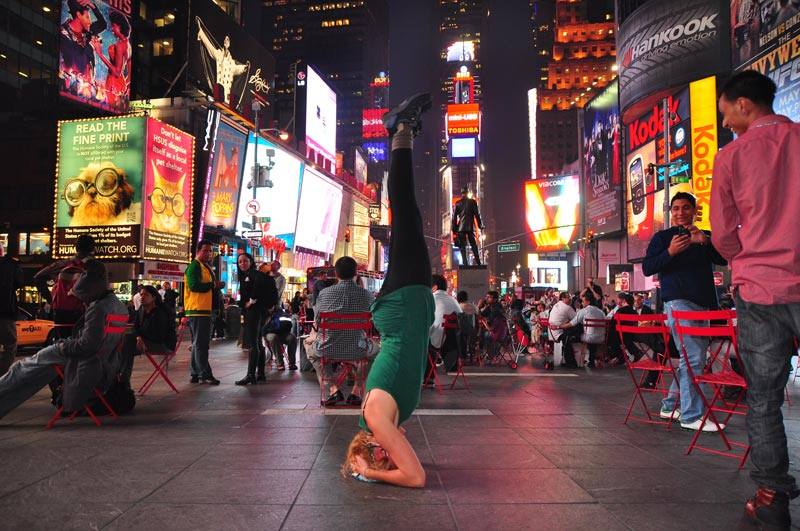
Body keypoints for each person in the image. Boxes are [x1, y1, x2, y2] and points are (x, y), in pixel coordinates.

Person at [711, 70, 800, 529]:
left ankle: (770, 498)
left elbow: (724, 235)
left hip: (759, 288)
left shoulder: (731, 157)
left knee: (764, 397)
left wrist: (747, 256)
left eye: (726, 114)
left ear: (743, 104)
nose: (726, 124)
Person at [343, 93, 434, 487]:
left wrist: (367, 473)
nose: (390, 452)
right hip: (409, 307)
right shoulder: (386, 418)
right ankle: (402, 131)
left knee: (407, 217)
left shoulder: (378, 419)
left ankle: (399, 129)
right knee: (410, 218)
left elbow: (415, 478)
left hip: (403, 307)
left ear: (371, 449)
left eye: (383, 456)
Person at [0, 260, 128, 419]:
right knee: (32, 375)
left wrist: (62, 346)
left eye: (82, 297)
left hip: (87, 364)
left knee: (21, 369)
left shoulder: (98, 308)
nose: (82, 302)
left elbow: (87, 345)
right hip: (105, 364)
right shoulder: (118, 306)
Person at [642, 192, 727, 430]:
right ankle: (691, 416)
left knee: (692, 360)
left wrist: (706, 241)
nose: (681, 212)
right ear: (671, 211)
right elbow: (648, 267)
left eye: (686, 207)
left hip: (704, 304)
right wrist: (669, 252)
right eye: (676, 208)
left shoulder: (704, 236)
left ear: (694, 210)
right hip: (677, 302)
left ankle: (670, 406)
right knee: (693, 359)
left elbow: (724, 259)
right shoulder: (662, 238)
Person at [306, 256, 377, 406]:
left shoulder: (324, 294)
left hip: (327, 349)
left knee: (311, 351)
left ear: (336, 274)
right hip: (358, 349)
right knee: (375, 351)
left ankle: (333, 389)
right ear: (356, 273)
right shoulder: (367, 295)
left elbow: (317, 321)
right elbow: (375, 319)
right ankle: (357, 390)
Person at [34, 233, 95, 338]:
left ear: (76, 248)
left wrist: (50, 299)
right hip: (80, 312)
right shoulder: (93, 268)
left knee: (62, 345)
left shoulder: (63, 264)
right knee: (78, 344)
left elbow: (38, 277)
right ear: (92, 250)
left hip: (60, 311)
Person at [184, 240, 225, 385]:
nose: (208, 253)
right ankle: (204, 374)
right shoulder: (194, 266)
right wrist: (214, 285)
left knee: (197, 343)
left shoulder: (205, 267)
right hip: (198, 310)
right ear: (198, 250)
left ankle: (195, 373)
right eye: (206, 250)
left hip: (205, 310)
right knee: (201, 344)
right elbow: (194, 286)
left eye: (210, 251)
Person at [234, 253, 277, 385]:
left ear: (251, 262)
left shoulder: (252, 274)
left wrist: (251, 301)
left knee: (253, 343)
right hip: (261, 312)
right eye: (240, 262)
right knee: (258, 342)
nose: (242, 264)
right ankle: (261, 374)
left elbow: (258, 287)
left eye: (245, 261)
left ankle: (251, 375)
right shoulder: (251, 274)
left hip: (254, 312)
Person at [120, 285, 176, 384]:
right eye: (141, 294)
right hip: (147, 342)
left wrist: (140, 338)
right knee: (122, 345)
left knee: (127, 343)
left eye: (146, 295)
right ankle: (120, 379)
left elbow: (159, 336)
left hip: (162, 345)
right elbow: (135, 327)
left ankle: (123, 381)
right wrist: (138, 337)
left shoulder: (160, 312)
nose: (142, 297)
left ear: (153, 297)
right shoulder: (142, 309)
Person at [59, 0, 107, 88]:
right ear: (78, 15)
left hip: (87, 85)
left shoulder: (87, 30)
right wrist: (92, 46)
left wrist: (93, 6)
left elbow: (103, 25)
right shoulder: (63, 33)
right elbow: (77, 59)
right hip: (70, 83)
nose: (90, 21)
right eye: (87, 17)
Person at [90, 10, 130, 110]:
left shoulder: (120, 45)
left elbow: (117, 72)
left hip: (114, 83)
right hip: (119, 84)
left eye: (114, 26)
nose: (112, 29)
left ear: (120, 26)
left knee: (111, 110)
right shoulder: (127, 44)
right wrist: (126, 85)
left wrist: (99, 53)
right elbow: (127, 69)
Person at [558, 293, 606, 368]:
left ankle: (571, 361)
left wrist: (560, 326)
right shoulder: (601, 312)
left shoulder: (584, 311)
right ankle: (591, 361)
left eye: (583, 301)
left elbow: (572, 323)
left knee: (568, 336)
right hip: (601, 338)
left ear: (588, 302)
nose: (582, 303)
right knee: (591, 335)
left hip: (588, 337)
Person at [429, 274, 462, 375]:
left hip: (437, 340)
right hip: (454, 342)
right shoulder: (453, 300)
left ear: (434, 287)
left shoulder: (431, 299)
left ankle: (428, 375)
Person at [0, 242, 23, 375]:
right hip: (5, 312)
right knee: (10, 345)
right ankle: (2, 376)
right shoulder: (11, 265)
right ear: (2, 252)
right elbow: (19, 282)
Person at [451, 186, 484, 266]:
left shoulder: (458, 203)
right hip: (469, 228)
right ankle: (478, 262)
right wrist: (480, 225)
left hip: (461, 228)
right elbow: (477, 215)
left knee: (462, 247)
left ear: (461, 193)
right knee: (473, 245)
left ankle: (465, 263)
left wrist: (454, 229)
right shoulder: (472, 202)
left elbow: (454, 217)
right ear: (467, 193)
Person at [548, 291, 578, 368]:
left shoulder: (556, 305)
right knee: (577, 330)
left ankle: (568, 361)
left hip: (551, 332)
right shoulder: (567, 308)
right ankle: (571, 362)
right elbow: (577, 319)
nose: (570, 299)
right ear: (563, 298)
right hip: (559, 332)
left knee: (570, 333)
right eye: (568, 297)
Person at [263, 307, 298, 372]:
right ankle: (280, 362)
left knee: (292, 338)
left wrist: (277, 329)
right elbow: (263, 330)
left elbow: (289, 325)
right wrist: (272, 329)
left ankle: (292, 363)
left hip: (282, 333)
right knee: (274, 337)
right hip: (270, 334)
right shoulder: (264, 314)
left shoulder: (281, 313)